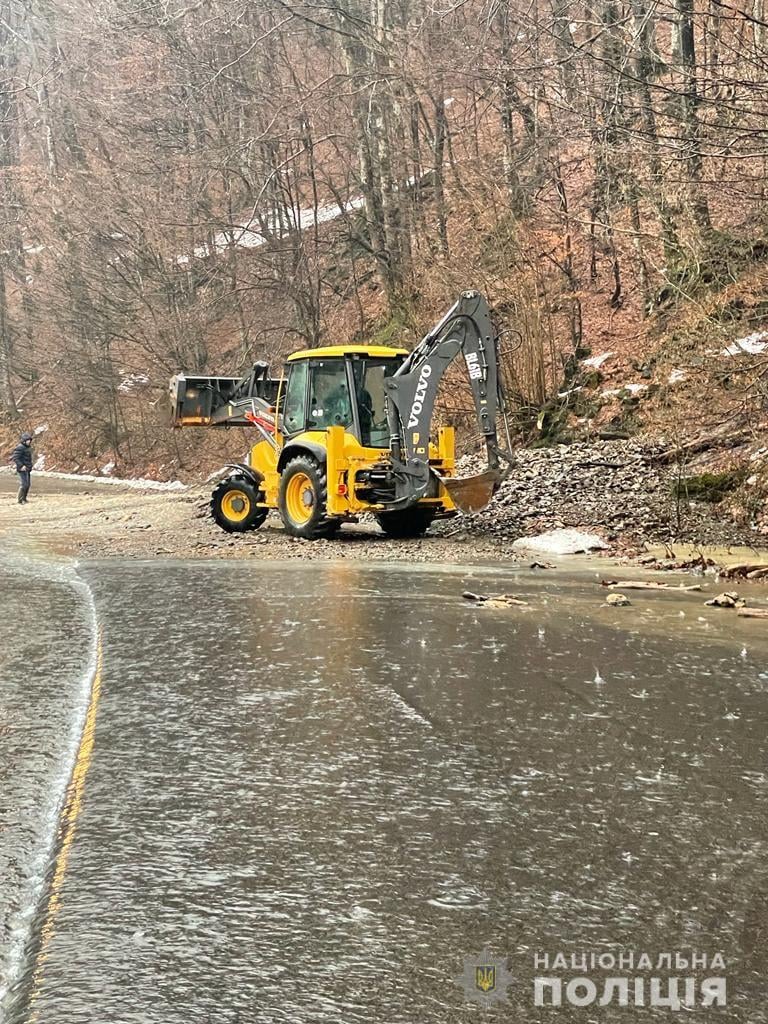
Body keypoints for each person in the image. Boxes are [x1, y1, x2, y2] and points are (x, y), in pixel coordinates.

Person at [11, 433, 34, 504]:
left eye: (30, 440)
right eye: (28, 440)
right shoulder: (20, 447)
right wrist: (21, 466)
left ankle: (24, 498)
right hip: (22, 469)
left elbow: (28, 458)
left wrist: (30, 466)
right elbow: (15, 458)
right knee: (24, 484)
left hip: (27, 469)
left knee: (28, 485)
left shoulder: (28, 447)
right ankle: (20, 500)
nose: (29, 441)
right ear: (24, 441)